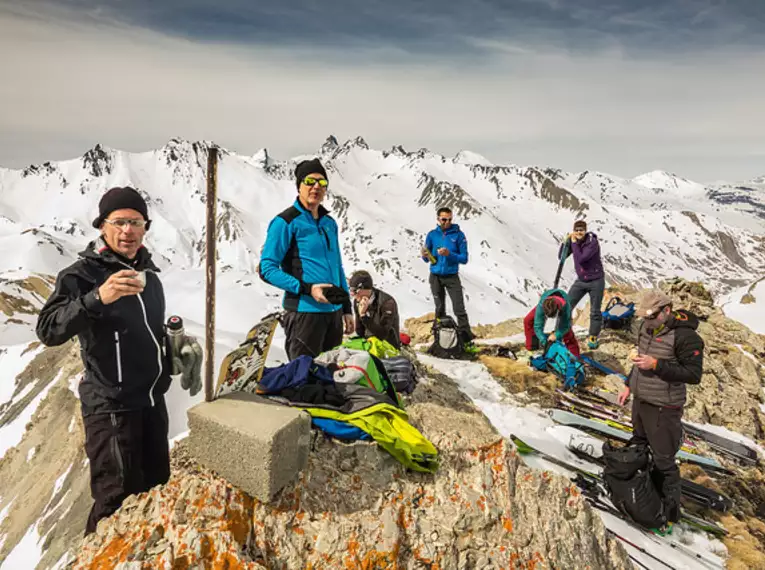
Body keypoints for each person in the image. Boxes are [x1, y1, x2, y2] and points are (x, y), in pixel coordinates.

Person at [36, 186, 191, 535]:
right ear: (102, 226)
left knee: (155, 491)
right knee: (114, 503)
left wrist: (174, 350)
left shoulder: (150, 277)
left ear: (146, 227)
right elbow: (48, 330)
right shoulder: (81, 276)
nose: (128, 231)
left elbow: (142, 332)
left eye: (136, 222)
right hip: (111, 409)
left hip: (151, 404)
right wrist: (96, 298)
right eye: (119, 221)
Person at [618, 289, 704, 533]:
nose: (646, 322)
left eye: (652, 317)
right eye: (644, 317)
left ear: (666, 311)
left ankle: (669, 514)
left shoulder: (686, 337)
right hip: (641, 399)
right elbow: (638, 362)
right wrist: (627, 383)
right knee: (639, 445)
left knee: (664, 459)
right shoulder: (645, 327)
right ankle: (645, 497)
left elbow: (693, 374)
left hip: (664, 407)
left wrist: (656, 365)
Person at [259, 158, 353, 359]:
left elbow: (337, 267)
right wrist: (308, 289)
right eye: (310, 181)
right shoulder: (285, 222)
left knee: (330, 376)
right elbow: (266, 269)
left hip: (333, 314)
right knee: (303, 379)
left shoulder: (329, 223)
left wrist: (346, 307)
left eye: (322, 182)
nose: (316, 187)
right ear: (299, 185)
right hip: (304, 313)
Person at [421, 207, 474, 347]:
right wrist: (425, 256)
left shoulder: (458, 235)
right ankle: (440, 341)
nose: (447, 222)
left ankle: (467, 341)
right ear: (438, 219)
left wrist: (448, 254)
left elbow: (464, 258)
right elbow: (427, 258)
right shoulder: (432, 235)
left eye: (449, 219)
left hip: (451, 276)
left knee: (459, 308)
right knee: (439, 308)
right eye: (444, 219)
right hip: (435, 275)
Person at [559, 220, 604, 349]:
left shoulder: (592, 242)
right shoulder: (575, 242)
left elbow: (581, 258)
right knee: (566, 306)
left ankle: (593, 336)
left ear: (585, 231)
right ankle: (562, 332)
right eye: (577, 230)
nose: (579, 232)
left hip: (596, 280)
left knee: (595, 311)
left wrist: (573, 243)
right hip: (582, 280)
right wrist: (565, 243)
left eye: (581, 230)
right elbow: (561, 257)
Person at [348, 270, 401, 349]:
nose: (352, 294)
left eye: (354, 290)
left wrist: (363, 315)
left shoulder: (387, 303)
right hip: (370, 344)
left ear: (364, 288)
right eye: (351, 290)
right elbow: (360, 331)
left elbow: (382, 334)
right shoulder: (358, 301)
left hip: (387, 346)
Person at [523, 288, 579, 356]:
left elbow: (565, 326)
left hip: (562, 307)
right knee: (528, 320)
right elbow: (537, 326)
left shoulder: (565, 306)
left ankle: (575, 355)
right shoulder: (542, 304)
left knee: (567, 332)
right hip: (547, 304)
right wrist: (544, 341)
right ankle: (532, 348)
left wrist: (556, 335)